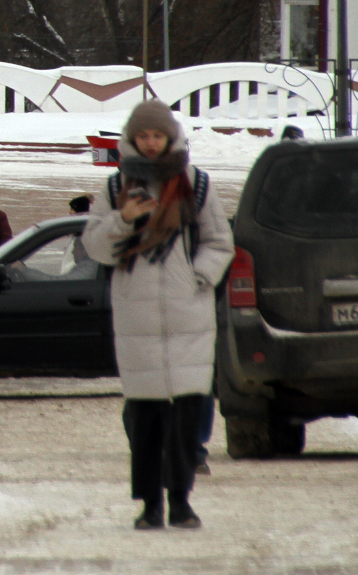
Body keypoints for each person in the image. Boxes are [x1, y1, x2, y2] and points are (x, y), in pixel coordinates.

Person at [81, 99, 234, 531]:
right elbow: (94, 247)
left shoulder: (197, 186)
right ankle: (150, 504)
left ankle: (182, 500)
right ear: (131, 139)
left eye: (157, 136)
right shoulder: (115, 189)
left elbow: (220, 242)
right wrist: (122, 220)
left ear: (170, 138)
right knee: (144, 418)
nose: (150, 144)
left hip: (189, 317)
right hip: (138, 321)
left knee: (187, 416)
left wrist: (197, 278)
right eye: (143, 136)